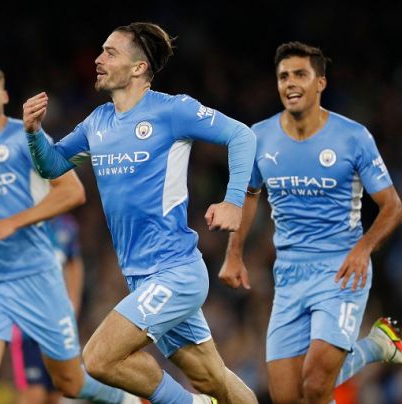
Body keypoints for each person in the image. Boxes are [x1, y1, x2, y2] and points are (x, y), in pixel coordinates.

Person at [23, 22, 259, 404]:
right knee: (217, 380)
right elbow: (52, 165)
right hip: (141, 278)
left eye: (110, 52)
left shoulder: (172, 110)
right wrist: (34, 133)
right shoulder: (97, 122)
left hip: (176, 272)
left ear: (138, 68)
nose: (98, 59)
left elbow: (242, 135)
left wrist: (233, 200)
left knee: (98, 358)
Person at [219, 41, 402, 403]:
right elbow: (249, 196)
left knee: (314, 384)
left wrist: (363, 248)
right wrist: (234, 253)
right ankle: (377, 344)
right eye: (283, 76)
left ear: (320, 84)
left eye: (300, 74)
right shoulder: (258, 137)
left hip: (341, 271)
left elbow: (392, 206)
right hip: (289, 275)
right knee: (287, 396)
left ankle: (374, 348)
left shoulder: (353, 137)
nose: (290, 83)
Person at [0, 61, 140, 404]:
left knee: (69, 383)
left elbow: (72, 192)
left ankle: (129, 399)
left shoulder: (26, 137)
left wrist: (11, 222)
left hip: (38, 277)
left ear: (3, 95)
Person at [11, 214, 85, 404]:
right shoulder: (21, 222)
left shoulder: (66, 226)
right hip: (28, 326)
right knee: (34, 394)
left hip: (59, 324)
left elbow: (73, 263)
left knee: (59, 392)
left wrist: (73, 304)